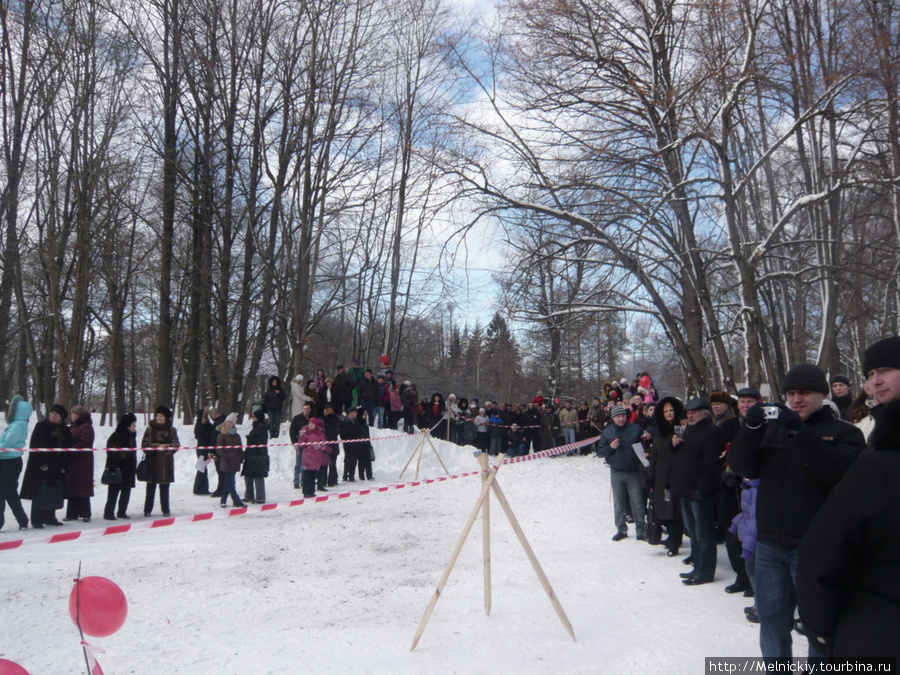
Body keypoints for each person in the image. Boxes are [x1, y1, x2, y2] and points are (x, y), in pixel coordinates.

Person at [729, 364, 865, 660]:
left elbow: (838, 475)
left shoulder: (846, 433)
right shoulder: (773, 429)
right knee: (772, 624)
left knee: (819, 628)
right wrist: (751, 429)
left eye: (804, 392)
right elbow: (741, 467)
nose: (796, 398)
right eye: (790, 393)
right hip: (769, 546)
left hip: (816, 550)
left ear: (822, 394)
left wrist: (800, 433)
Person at [796, 395, 900, 661]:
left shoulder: (871, 457)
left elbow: (822, 554)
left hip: (874, 631)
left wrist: (819, 630)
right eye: (870, 374)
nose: (873, 383)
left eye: (885, 371)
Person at [671, 398, 722, 586]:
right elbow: (682, 457)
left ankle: (705, 571)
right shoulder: (690, 431)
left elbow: (711, 465)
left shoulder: (711, 432)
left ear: (705, 413)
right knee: (692, 532)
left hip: (699, 492)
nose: (690, 415)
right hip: (686, 489)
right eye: (688, 412)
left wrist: (701, 489)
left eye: (694, 412)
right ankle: (698, 566)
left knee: (703, 533)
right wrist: (674, 445)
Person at [596, 404, 645, 541]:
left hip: (633, 470)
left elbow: (644, 441)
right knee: (619, 502)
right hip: (616, 471)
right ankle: (621, 529)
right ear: (613, 418)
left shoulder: (635, 429)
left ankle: (641, 529)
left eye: (623, 416)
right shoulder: (607, 432)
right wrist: (610, 447)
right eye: (618, 417)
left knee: (637, 501)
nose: (621, 419)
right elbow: (600, 452)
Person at [20, 403, 72, 528]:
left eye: (56, 414)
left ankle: (50, 517)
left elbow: (68, 449)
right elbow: (34, 445)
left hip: (58, 465)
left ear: (61, 417)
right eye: (52, 413)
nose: (53, 415)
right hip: (40, 464)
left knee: (54, 490)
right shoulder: (41, 426)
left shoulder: (65, 430)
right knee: (40, 491)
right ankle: (37, 519)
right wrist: (41, 464)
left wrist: (65, 466)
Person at [647, 397, 686, 557]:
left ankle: (676, 541)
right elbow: (654, 456)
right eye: (666, 411)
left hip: (676, 476)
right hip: (662, 478)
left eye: (671, 411)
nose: (669, 413)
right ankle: (672, 537)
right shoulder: (659, 433)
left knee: (675, 510)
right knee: (666, 508)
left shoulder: (681, 429)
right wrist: (651, 478)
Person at [141, 405, 181, 517]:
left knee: (164, 488)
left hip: (166, 463)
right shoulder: (150, 429)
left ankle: (166, 510)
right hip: (152, 462)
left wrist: (167, 447)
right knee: (150, 488)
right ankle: (147, 510)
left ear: (166, 418)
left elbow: (176, 445)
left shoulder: (172, 430)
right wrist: (157, 446)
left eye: (161, 416)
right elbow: (144, 445)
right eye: (158, 415)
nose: (159, 418)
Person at [0, 395, 32, 531]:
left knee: (9, 492)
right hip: (5, 460)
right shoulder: (15, 424)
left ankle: (22, 519)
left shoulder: (18, 425)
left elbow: (7, 443)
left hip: (10, 462)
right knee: (2, 492)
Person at [103, 413, 138, 520]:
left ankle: (122, 512)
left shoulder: (132, 436)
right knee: (113, 492)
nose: (135, 426)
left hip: (129, 469)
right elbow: (111, 452)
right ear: (128, 425)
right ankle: (108, 513)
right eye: (133, 424)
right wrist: (125, 454)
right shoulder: (116, 435)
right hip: (117, 468)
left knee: (126, 491)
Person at [64, 405, 95, 522]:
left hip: (83, 462)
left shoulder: (86, 427)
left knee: (82, 488)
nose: (71, 416)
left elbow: (84, 443)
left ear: (79, 416)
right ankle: (72, 513)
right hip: (73, 462)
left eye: (74, 414)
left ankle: (85, 513)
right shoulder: (74, 426)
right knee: (72, 487)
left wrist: (71, 450)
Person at [214, 412, 245, 508]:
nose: (228, 424)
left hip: (235, 462)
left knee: (228, 482)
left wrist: (241, 457)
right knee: (231, 482)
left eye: (230, 422)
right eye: (227, 422)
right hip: (227, 462)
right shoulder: (222, 435)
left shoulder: (237, 436)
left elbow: (240, 448)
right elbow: (219, 448)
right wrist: (225, 457)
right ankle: (236, 500)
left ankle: (223, 500)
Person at [298, 418, 330, 498]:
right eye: (310, 423)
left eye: (312, 423)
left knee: (313, 475)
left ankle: (312, 491)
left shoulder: (320, 433)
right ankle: (306, 492)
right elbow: (301, 444)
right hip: (307, 457)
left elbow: (324, 444)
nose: (311, 425)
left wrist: (320, 446)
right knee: (307, 475)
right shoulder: (305, 432)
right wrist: (301, 437)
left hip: (316, 457)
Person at [243, 408, 269, 504]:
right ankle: (249, 496)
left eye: (254, 416)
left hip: (258, 456)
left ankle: (260, 497)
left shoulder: (262, 429)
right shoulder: (256, 428)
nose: (252, 418)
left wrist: (251, 440)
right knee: (248, 475)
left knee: (258, 476)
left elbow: (261, 442)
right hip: (251, 455)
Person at [289, 401, 315, 489]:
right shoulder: (297, 418)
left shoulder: (312, 419)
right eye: (304, 408)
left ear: (310, 409)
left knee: (307, 463)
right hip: (299, 444)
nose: (306, 410)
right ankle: (296, 481)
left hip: (310, 445)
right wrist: (294, 443)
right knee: (298, 463)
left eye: (307, 409)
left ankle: (304, 480)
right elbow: (292, 431)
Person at [192, 407, 215, 495]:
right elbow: (201, 436)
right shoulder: (200, 425)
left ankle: (201, 488)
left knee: (202, 468)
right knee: (202, 469)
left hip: (202, 448)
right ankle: (199, 489)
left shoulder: (201, 424)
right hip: (202, 449)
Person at [321, 405, 341, 487]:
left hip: (326, 444)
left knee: (325, 464)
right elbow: (338, 431)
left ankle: (323, 481)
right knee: (333, 464)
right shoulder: (337, 420)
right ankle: (332, 481)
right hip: (334, 443)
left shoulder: (323, 420)